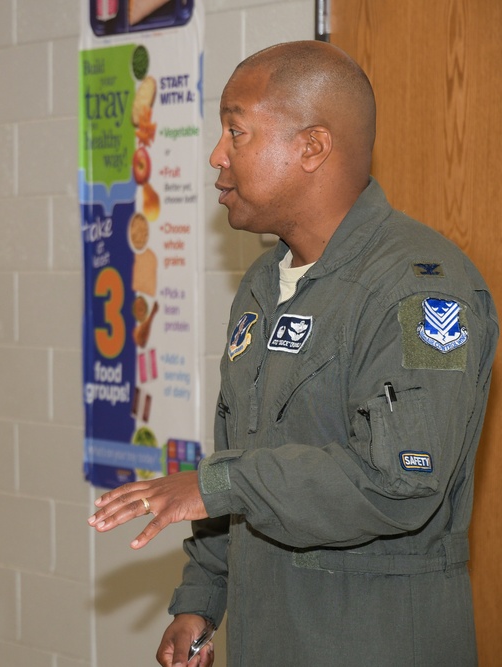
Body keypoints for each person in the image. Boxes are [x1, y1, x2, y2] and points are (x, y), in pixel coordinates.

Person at [89, 41, 498, 666]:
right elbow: (243, 453)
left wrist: (214, 486)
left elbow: (402, 481)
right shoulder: (262, 284)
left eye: (236, 130)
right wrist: (203, 594)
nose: (217, 155)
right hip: (270, 635)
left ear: (312, 146)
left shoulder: (421, 286)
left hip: (374, 641)